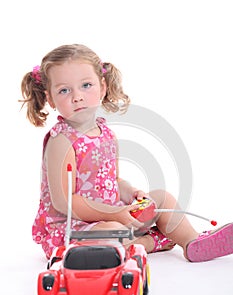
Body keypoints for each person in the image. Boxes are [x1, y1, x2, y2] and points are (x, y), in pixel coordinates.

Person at [20, 44, 233, 262]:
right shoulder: (61, 141)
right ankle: (150, 242)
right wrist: (114, 215)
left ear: (102, 87)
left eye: (86, 85)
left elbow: (112, 180)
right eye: (64, 90)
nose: (77, 97)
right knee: (112, 232)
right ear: (51, 98)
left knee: (161, 198)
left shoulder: (106, 134)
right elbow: (64, 203)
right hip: (73, 227)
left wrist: (131, 193)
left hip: (111, 212)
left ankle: (191, 241)